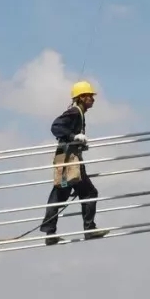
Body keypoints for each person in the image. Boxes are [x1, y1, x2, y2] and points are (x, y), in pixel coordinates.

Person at [39, 81, 107, 245]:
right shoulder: (74, 112)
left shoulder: (79, 113)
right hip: (69, 162)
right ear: (82, 97)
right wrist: (73, 137)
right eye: (90, 96)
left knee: (60, 195)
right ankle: (89, 229)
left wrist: (79, 142)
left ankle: (50, 233)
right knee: (89, 193)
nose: (93, 99)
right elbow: (56, 127)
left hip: (68, 160)